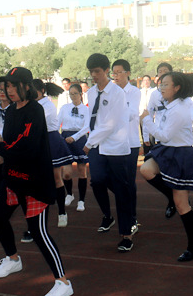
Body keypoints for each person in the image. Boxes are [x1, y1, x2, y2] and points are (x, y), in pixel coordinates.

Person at [0, 67, 73, 296]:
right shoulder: (11, 111)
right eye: (7, 85)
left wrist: (0, 150)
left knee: (38, 232)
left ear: (27, 86)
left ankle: (63, 282)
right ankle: (13, 259)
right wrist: (0, 152)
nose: (9, 90)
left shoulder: (35, 111)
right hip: (13, 178)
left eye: (14, 85)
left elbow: (26, 147)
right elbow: (8, 143)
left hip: (34, 181)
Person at [140, 72, 193, 261]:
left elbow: (165, 135)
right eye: (161, 84)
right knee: (146, 170)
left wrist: (146, 120)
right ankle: (170, 196)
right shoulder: (172, 104)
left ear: (177, 88)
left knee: (182, 205)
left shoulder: (179, 109)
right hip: (168, 149)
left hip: (181, 154)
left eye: (166, 84)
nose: (161, 88)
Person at [83, 53, 135, 252]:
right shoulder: (91, 93)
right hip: (97, 145)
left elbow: (110, 124)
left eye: (97, 71)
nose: (94, 75)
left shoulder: (117, 93)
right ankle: (108, 215)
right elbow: (92, 119)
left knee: (121, 190)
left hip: (114, 146)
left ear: (106, 70)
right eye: (91, 72)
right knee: (97, 181)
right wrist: (90, 140)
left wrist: (89, 142)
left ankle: (126, 234)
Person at [34, 79, 74, 228]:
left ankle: (62, 213)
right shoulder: (31, 104)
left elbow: (38, 123)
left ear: (41, 91)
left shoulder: (48, 105)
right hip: (37, 141)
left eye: (33, 90)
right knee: (38, 180)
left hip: (50, 140)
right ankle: (38, 216)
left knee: (56, 178)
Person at [112, 59, 142, 234]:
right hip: (114, 144)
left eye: (119, 72)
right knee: (111, 179)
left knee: (129, 182)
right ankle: (122, 214)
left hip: (130, 143)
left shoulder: (134, 92)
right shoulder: (110, 91)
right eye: (114, 73)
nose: (116, 76)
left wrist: (115, 114)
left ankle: (132, 217)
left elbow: (131, 114)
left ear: (128, 73)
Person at [58, 84, 90, 212]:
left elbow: (87, 126)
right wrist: (57, 138)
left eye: (75, 93)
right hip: (65, 138)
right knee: (66, 173)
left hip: (79, 138)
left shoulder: (86, 109)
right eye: (70, 94)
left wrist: (75, 137)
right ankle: (69, 194)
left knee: (82, 171)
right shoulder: (64, 108)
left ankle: (81, 200)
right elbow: (57, 123)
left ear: (81, 94)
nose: (73, 96)